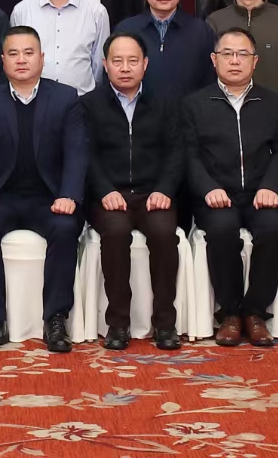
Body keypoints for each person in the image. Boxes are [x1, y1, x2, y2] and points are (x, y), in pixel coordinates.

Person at [0, 28, 89, 353]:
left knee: (65, 228)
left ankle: (56, 320)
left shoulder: (65, 98)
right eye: (14, 53)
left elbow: (76, 151)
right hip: (0, 198)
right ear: (3, 60)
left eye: (29, 53)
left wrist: (69, 195)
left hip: (49, 198)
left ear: (42, 58)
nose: (21, 60)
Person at [187, 27, 278, 347]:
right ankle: (230, 313)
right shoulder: (194, 104)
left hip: (262, 194)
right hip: (218, 196)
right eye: (227, 54)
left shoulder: (275, 103)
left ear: (255, 61)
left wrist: (272, 186)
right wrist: (208, 187)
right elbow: (188, 155)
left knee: (274, 230)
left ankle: (255, 312)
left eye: (242, 54)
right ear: (214, 59)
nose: (235, 61)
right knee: (221, 230)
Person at [81, 32, 184, 350]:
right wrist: (103, 190)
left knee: (164, 234)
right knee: (115, 233)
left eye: (132, 61)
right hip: (110, 195)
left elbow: (177, 151)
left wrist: (164, 189)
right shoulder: (88, 105)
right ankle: (118, 324)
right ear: (105, 64)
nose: (125, 68)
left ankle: (165, 323)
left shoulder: (165, 102)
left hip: (153, 194)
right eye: (117, 61)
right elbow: (85, 153)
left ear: (145, 64)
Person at [10, 0, 110, 92]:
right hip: (35, 99)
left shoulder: (96, 12)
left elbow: (99, 66)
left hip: (82, 99)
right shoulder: (22, 11)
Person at [115, 0, 216, 100]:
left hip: (188, 112)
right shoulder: (126, 30)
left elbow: (210, 82)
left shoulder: (200, 31)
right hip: (136, 111)